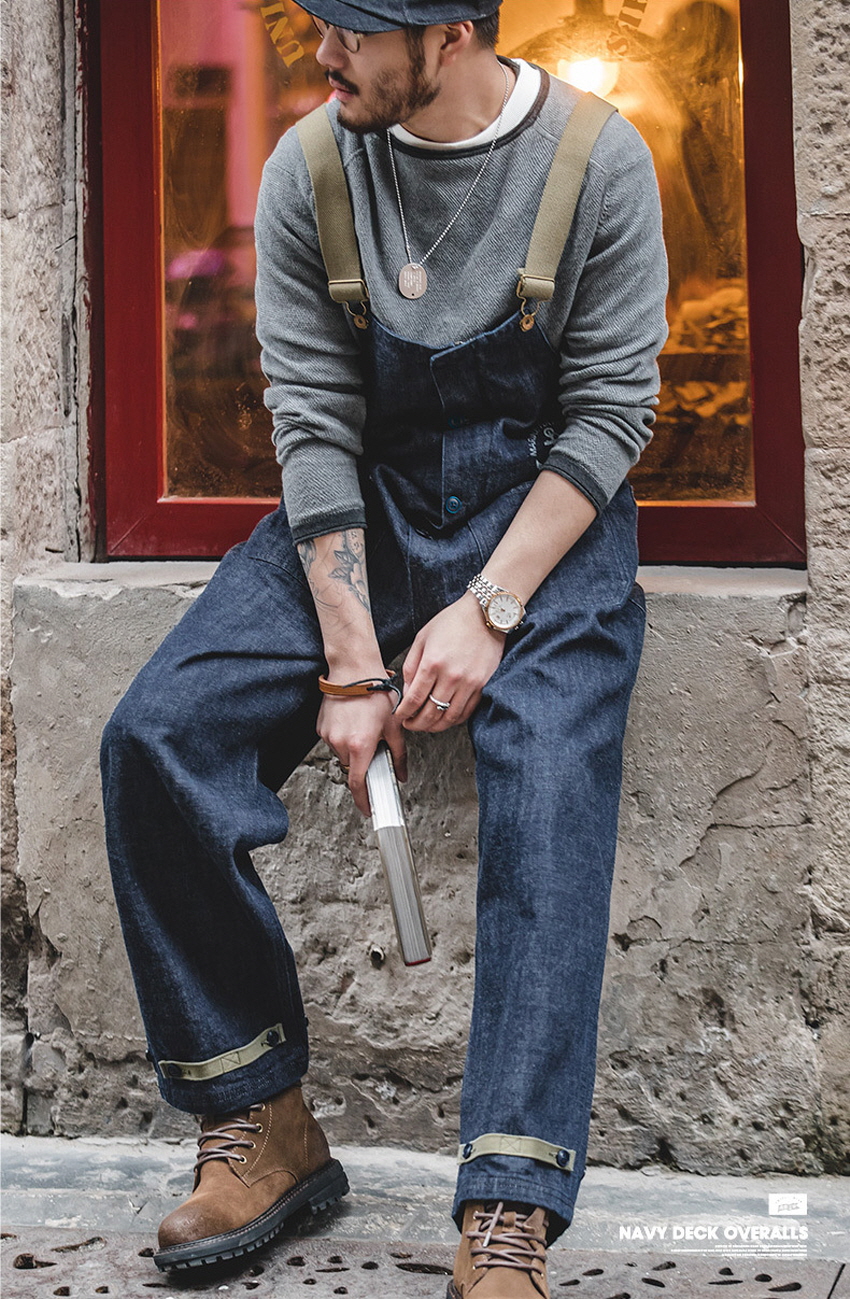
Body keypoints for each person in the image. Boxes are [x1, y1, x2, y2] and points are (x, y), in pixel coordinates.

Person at [100, 2, 668, 1294]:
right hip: (365, 512)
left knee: (551, 780)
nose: (321, 54)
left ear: (450, 32)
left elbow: (610, 414)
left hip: (545, 520)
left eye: (351, 32)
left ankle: (508, 1207)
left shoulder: (599, 159)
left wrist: (491, 610)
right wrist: (353, 664)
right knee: (159, 734)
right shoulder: (311, 167)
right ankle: (262, 1122)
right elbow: (309, 418)